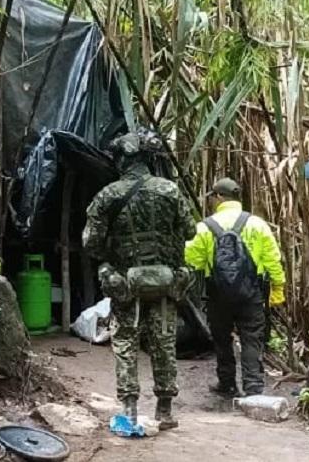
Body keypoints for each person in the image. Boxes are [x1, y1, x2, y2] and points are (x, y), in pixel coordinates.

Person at [83, 129, 195, 430]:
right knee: (164, 342)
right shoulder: (170, 191)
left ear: (123, 159)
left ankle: (130, 409)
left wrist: (114, 257)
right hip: (165, 283)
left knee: (125, 343)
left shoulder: (109, 195)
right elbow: (189, 231)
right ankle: (165, 410)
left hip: (125, 284)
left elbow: (90, 243)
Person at [185, 177, 285, 396]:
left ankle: (227, 384)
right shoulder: (257, 224)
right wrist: (278, 287)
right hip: (251, 293)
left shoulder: (204, 227)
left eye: (213, 197)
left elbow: (193, 261)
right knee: (252, 338)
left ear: (219, 197)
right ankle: (253, 388)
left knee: (222, 340)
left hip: (218, 294)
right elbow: (272, 260)